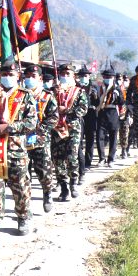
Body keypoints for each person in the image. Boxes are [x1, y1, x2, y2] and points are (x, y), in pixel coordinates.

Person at [0, 61, 37, 235]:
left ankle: (23, 217)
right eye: (4, 75)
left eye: (11, 75)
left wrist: (9, 128)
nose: (7, 78)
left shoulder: (25, 95)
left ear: (18, 76)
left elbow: (31, 123)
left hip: (16, 151)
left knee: (20, 187)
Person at [23, 65, 59, 213]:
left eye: (33, 76)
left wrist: (39, 130)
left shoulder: (47, 96)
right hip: (21, 140)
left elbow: (53, 117)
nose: (30, 79)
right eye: (27, 76)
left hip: (40, 139)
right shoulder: (20, 95)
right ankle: (25, 205)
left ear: (40, 78)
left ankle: (47, 193)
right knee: (23, 174)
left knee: (44, 170)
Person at [51, 64, 88, 202]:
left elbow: (83, 109)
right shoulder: (52, 91)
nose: (65, 76)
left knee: (72, 156)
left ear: (73, 76)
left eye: (68, 74)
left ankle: (73, 183)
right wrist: (55, 101)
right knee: (58, 159)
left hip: (73, 128)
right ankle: (63, 187)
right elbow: (45, 108)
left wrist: (67, 110)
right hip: (56, 129)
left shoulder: (79, 91)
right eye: (62, 73)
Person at [96, 69, 124, 167]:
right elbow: (95, 101)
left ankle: (111, 159)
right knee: (99, 136)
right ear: (103, 77)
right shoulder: (99, 87)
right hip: (102, 112)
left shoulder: (117, 88)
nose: (108, 78)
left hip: (113, 112)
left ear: (113, 78)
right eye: (106, 77)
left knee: (113, 137)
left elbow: (121, 102)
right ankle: (101, 158)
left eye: (110, 77)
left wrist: (118, 95)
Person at [78, 65, 98, 173]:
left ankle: (88, 162)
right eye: (81, 76)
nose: (83, 78)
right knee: (79, 139)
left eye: (85, 76)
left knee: (90, 140)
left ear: (89, 76)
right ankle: (79, 162)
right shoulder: (76, 87)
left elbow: (99, 103)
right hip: (79, 116)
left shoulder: (94, 87)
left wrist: (96, 97)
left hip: (90, 114)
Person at [118, 74, 132, 158]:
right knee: (119, 132)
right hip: (118, 112)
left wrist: (130, 115)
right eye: (123, 80)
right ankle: (119, 150)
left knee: (126, 132)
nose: (124, 81)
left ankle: (125, 149)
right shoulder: (118, 89)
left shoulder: (130, 90)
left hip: (127, 113)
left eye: (126, 80)